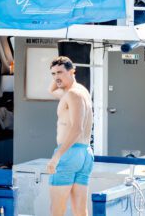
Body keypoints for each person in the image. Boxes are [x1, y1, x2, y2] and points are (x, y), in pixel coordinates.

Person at [47, 56, 94, 216]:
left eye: (60, 72)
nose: (56, 77)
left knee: (56, 210)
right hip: (85, 153)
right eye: (53, 74)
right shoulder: (81, 91)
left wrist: (57, 156)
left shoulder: (73, 94)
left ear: (72, 71)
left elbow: (77, 128)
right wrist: (60, 77)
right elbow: (51, 90)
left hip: (69, 153)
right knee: (80, 211)